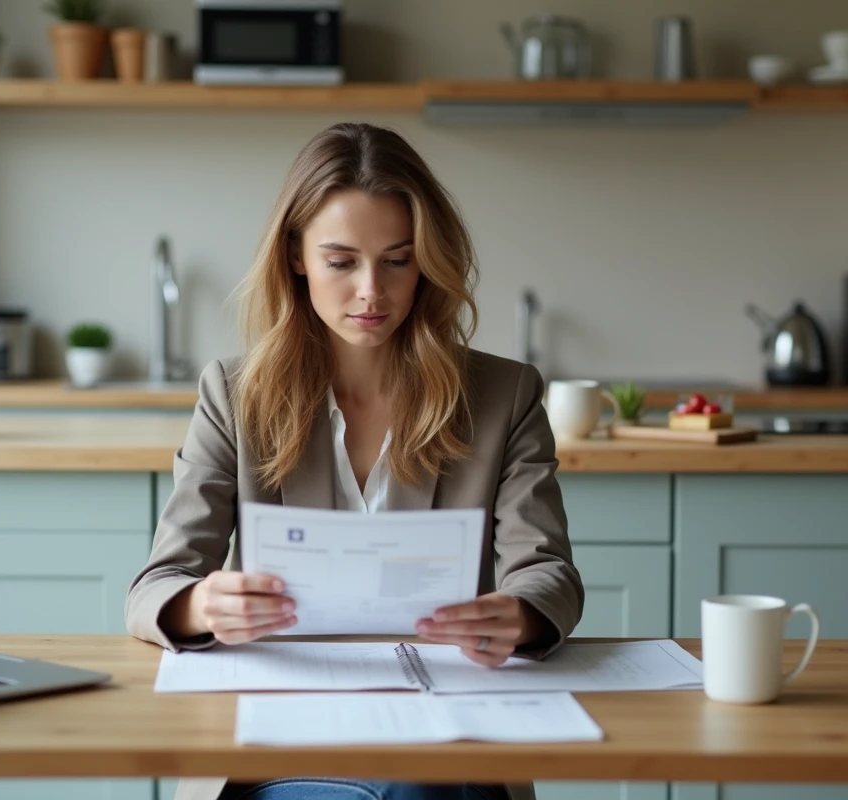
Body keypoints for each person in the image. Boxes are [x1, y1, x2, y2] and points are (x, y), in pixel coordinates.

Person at [124, 122, 585, 800]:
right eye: (342, 261)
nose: (372, 291)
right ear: (297, 256)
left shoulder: (503, 395)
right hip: (280, 729)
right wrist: (201, 604)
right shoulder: (234, 394)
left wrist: (519, 615)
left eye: (397, 260)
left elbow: (550, 573)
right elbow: (155, 586)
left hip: (449, 724)